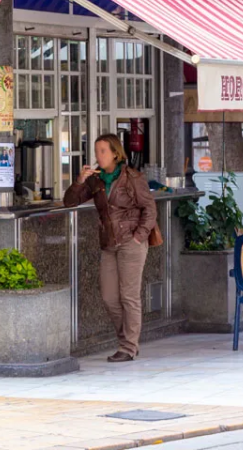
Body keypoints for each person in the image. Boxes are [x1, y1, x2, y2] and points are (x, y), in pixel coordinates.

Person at [63, 134, 157, 363]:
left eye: (103, 151)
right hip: (108, 244)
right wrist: (79, 181)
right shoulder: (95, 180)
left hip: (130, 243)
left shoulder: (132, 177)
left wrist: (138, 237)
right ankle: (127, 339)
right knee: (109, 297)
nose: (98, 156)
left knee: (129, 296)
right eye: (96, 151)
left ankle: (128, 347)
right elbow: (70, 202)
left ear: (115, 153)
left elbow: (150, 209)